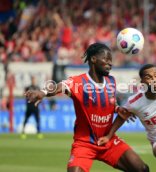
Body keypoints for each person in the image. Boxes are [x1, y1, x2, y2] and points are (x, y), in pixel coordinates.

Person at [25, 43, 149, 172]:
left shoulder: (111, 81)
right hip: (85, 144)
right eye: (106, 59)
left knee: (142, 169)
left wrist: (118, 109)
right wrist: (43, 93)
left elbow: (109, 102)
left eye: (110, 60)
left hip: (109, 140)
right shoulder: (78, 82)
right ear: (93, 59)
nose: (110, 63)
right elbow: (59, 87)